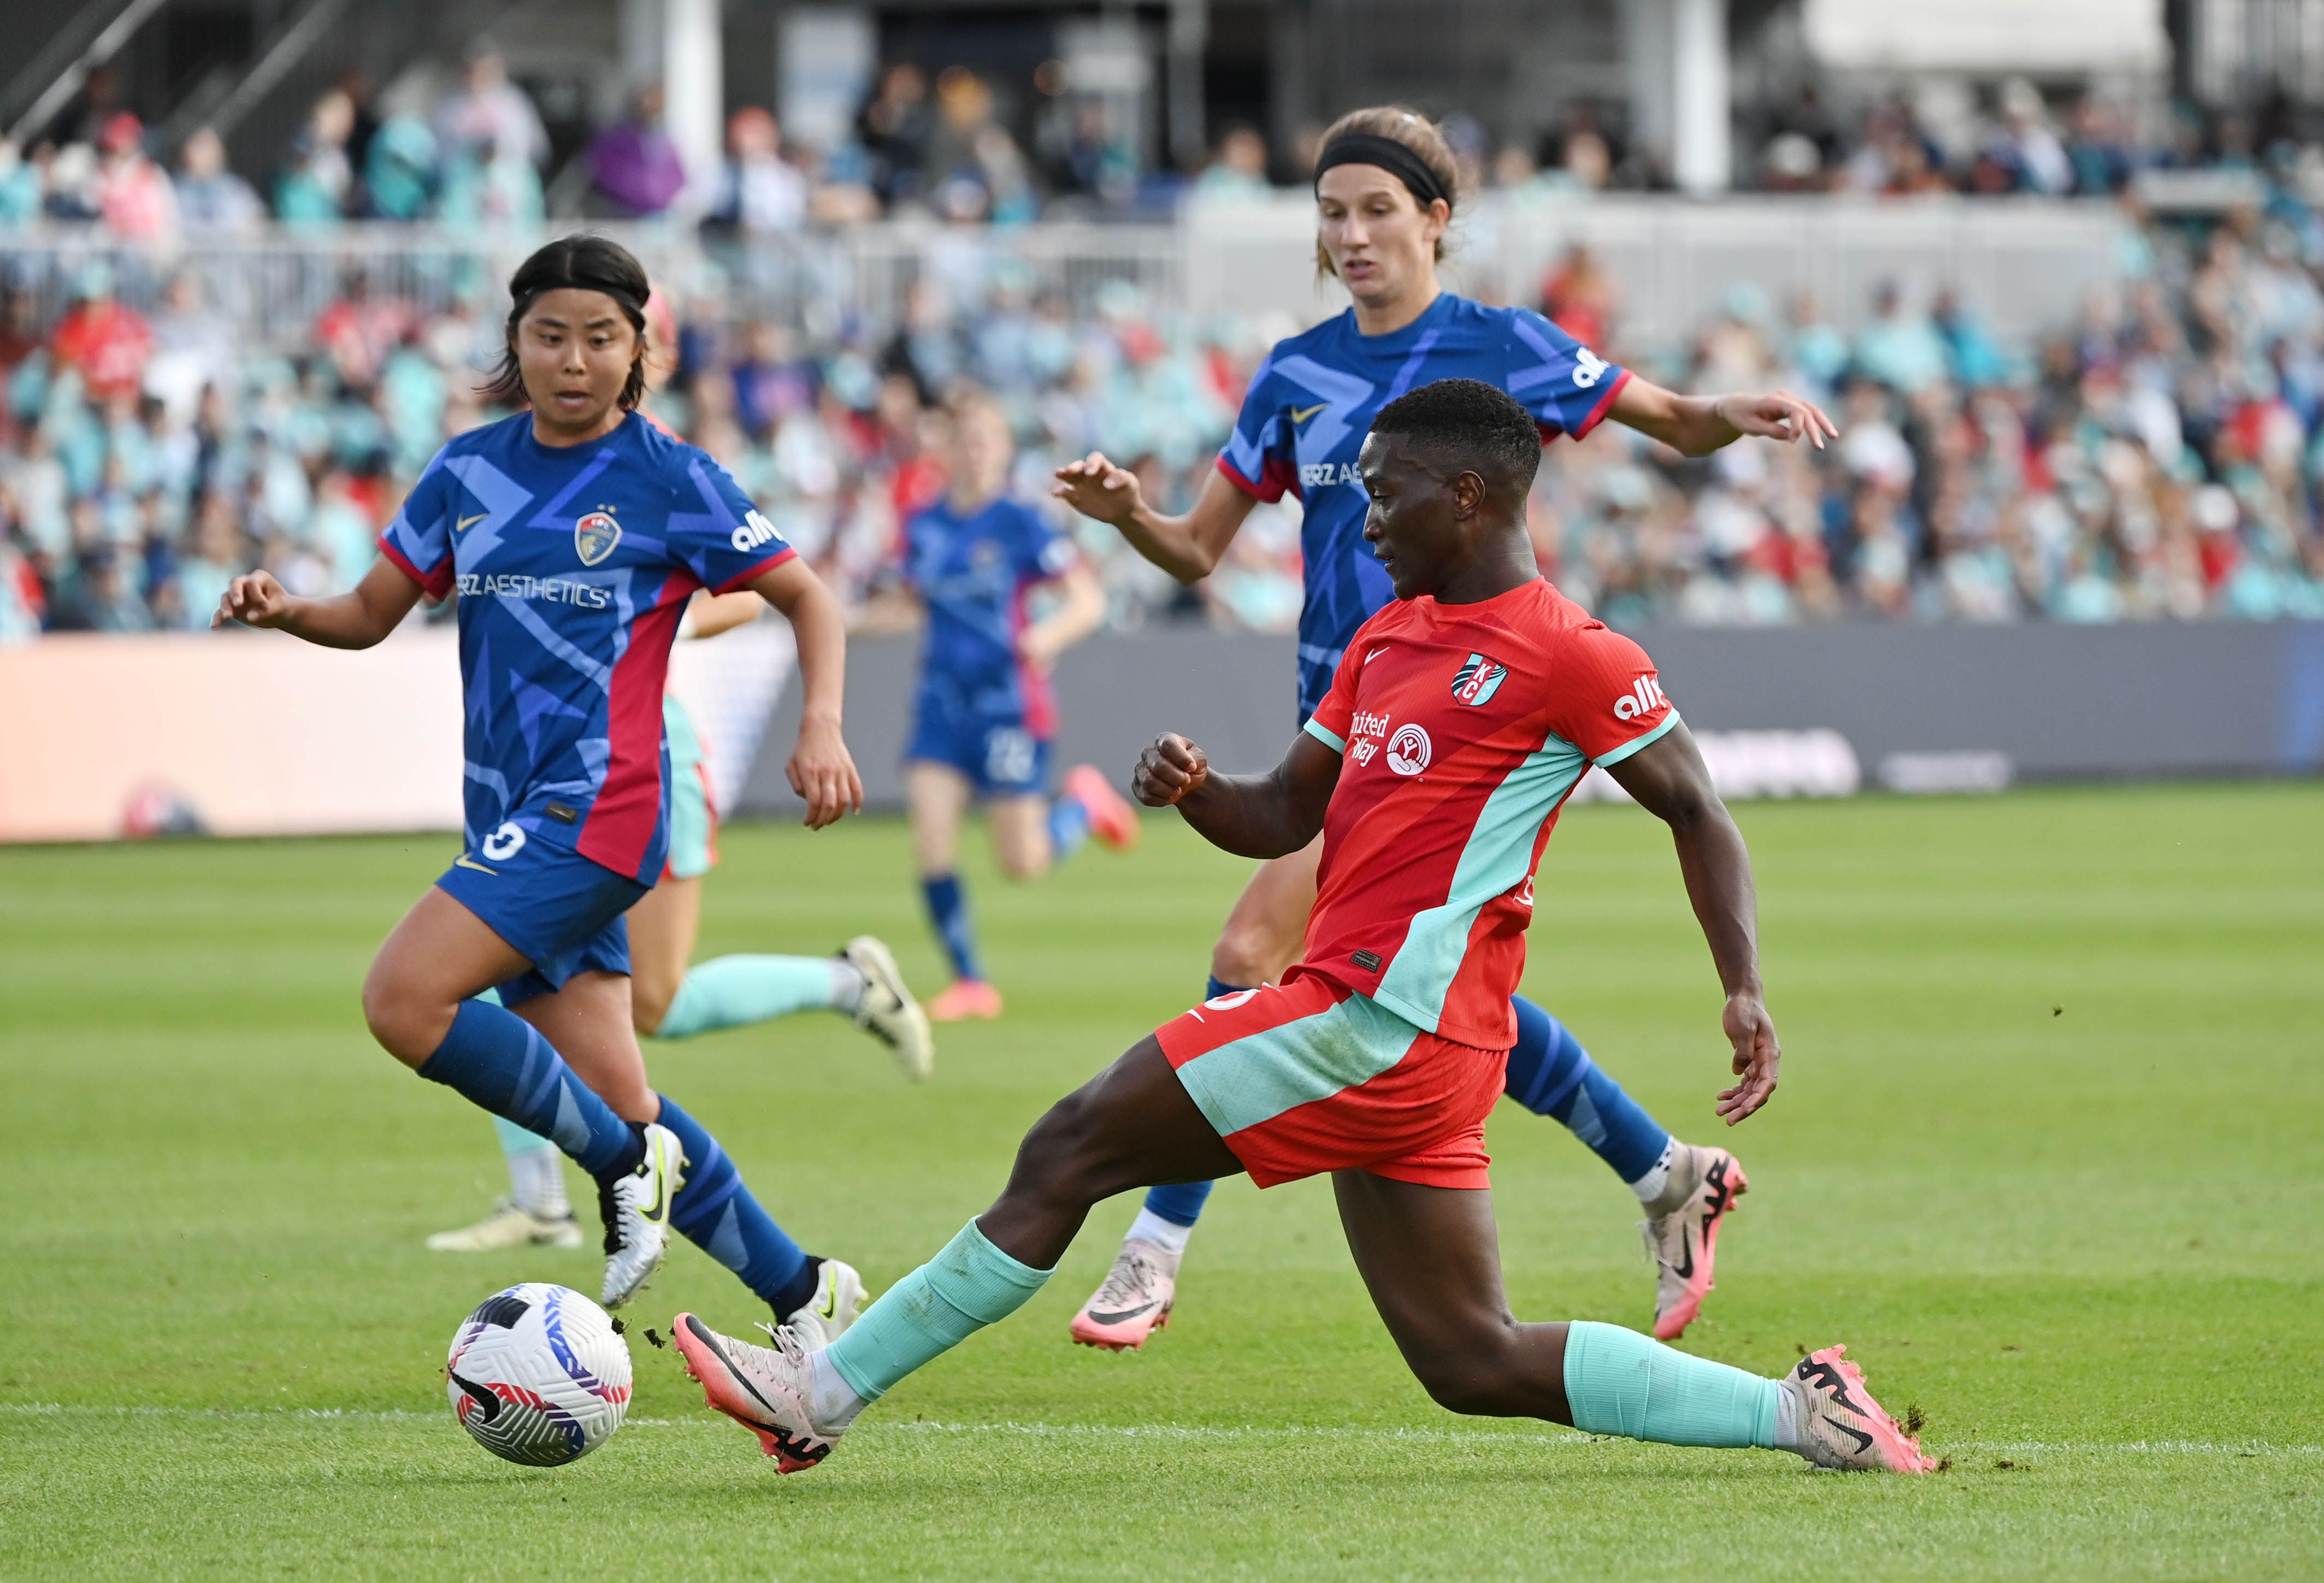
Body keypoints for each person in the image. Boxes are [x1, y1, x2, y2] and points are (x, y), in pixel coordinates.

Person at [670, 379, 1933, 1477]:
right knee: (1465, 1355)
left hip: (1377, 1019)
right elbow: (1283, 815)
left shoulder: (1571, 656)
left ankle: (816, 1395)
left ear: (1471, 496)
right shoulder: (1384, 640)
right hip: (1413, 1043)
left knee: (1067, 1147)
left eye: (1384, 497)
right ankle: (1796, 1412)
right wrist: (1195, 793)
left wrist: (1742, 987)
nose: (1364, 521)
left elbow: (1696, 809)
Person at [1048, 105, 1837, 1349]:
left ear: (1433, 220)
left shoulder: (1501, 347)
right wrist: (1127, 515)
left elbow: (1660, 417)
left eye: (1374, 210)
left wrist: (1726, 413)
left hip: (1464, 721)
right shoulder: (1292, 374)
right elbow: (1197, 550)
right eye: (1329, 214)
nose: (1350, 235)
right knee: (1417, 985)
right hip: (1339, 724)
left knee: (1256, 947)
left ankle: (1155, 1244)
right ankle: (1662, 1173)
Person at [213, 236, 872, 1343]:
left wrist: (821, 723)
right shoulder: (467, 471)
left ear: (638, 350)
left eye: (600, 338)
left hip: (599, 811)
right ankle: (806, 1294)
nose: (574, 359)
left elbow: (807, 598)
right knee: (624, 1095)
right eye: (551, 335)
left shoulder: (670, 477)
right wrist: (290, 610)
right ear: (515, 345)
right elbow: (372, 614)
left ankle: (622, 1172)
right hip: (511, 814)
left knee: (403, 1001)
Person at [429, 589, 933, 1251]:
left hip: (641, 770)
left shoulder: (633, 491)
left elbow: (749, 593)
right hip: (541, 773)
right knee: (496, 959)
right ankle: (541, 1202)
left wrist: (654, 629)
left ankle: (848, 984)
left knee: (657, 1004)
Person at [860, 392, 1140, 1023]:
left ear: (1004, 450)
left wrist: (1047, 636)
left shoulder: (1021, 522)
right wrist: (843, 619)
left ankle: (1082, 808)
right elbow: (910, 605)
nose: (978, 451)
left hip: (1008, 705)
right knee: (931, 840)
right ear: (949, 448)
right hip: (940, 703)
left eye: (989, 440)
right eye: (968, 439)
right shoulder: (923, 524)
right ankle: (970, 982)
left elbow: (1086, 602)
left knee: (1023, 863)